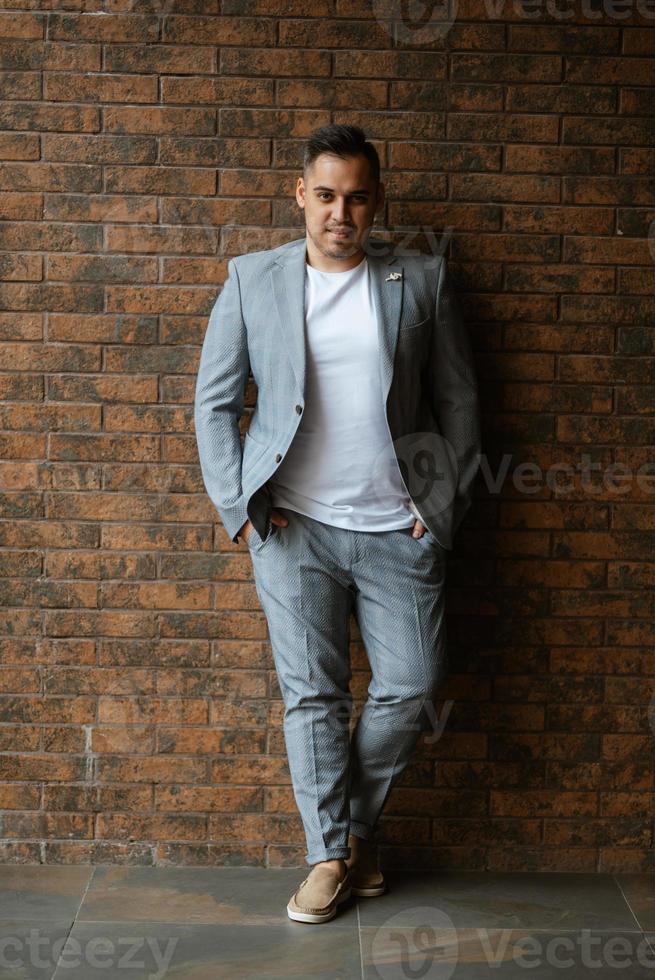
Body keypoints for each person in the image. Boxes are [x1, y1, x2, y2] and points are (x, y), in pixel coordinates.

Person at [194, 123, 481, 924]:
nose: (339, 213)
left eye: (356, 198)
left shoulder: (420, 281)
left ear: (375, 200)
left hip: (398, 526)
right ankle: (329, 856)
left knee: (413, 683)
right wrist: (238, 509)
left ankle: (350, 832)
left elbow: (458, 401)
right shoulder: (253, 279)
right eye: (324, 196)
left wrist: (441, 504)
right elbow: (215, 404)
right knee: (311, 696)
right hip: (292, 528)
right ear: (300, 196)